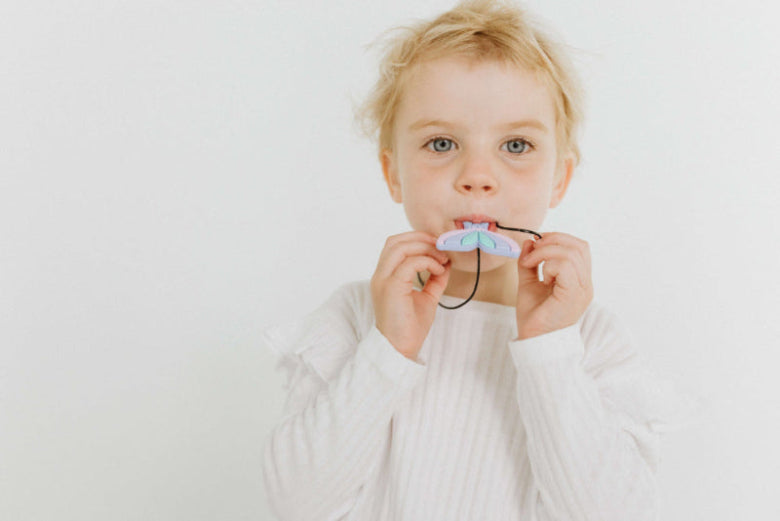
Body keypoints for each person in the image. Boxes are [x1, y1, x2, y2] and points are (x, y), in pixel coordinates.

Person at [261, 1, 703, 519]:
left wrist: (549, 349)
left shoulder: (589, 339)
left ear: (559, 178)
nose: (477, 175)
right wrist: (389, 348)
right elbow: (294, 503)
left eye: (516, 145)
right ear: (393, 173)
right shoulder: (357, 317)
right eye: (441, 142)